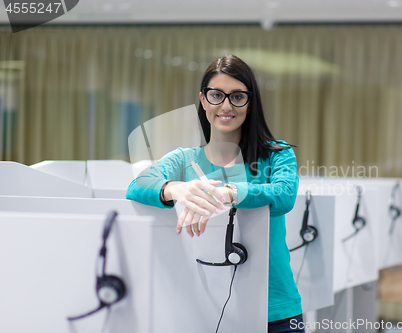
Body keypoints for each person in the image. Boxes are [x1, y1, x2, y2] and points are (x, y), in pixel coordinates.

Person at [126, 54, 305, 333]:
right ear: (203, 99)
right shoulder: (185, 160)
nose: (226, 105)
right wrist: (177, 188)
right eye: (216, 95)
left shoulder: (276, 154)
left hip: (275, 309)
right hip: (203, 308)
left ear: (250, 102)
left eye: (237, 97)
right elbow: (137, 185)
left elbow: (283, 196)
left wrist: (227, 192)